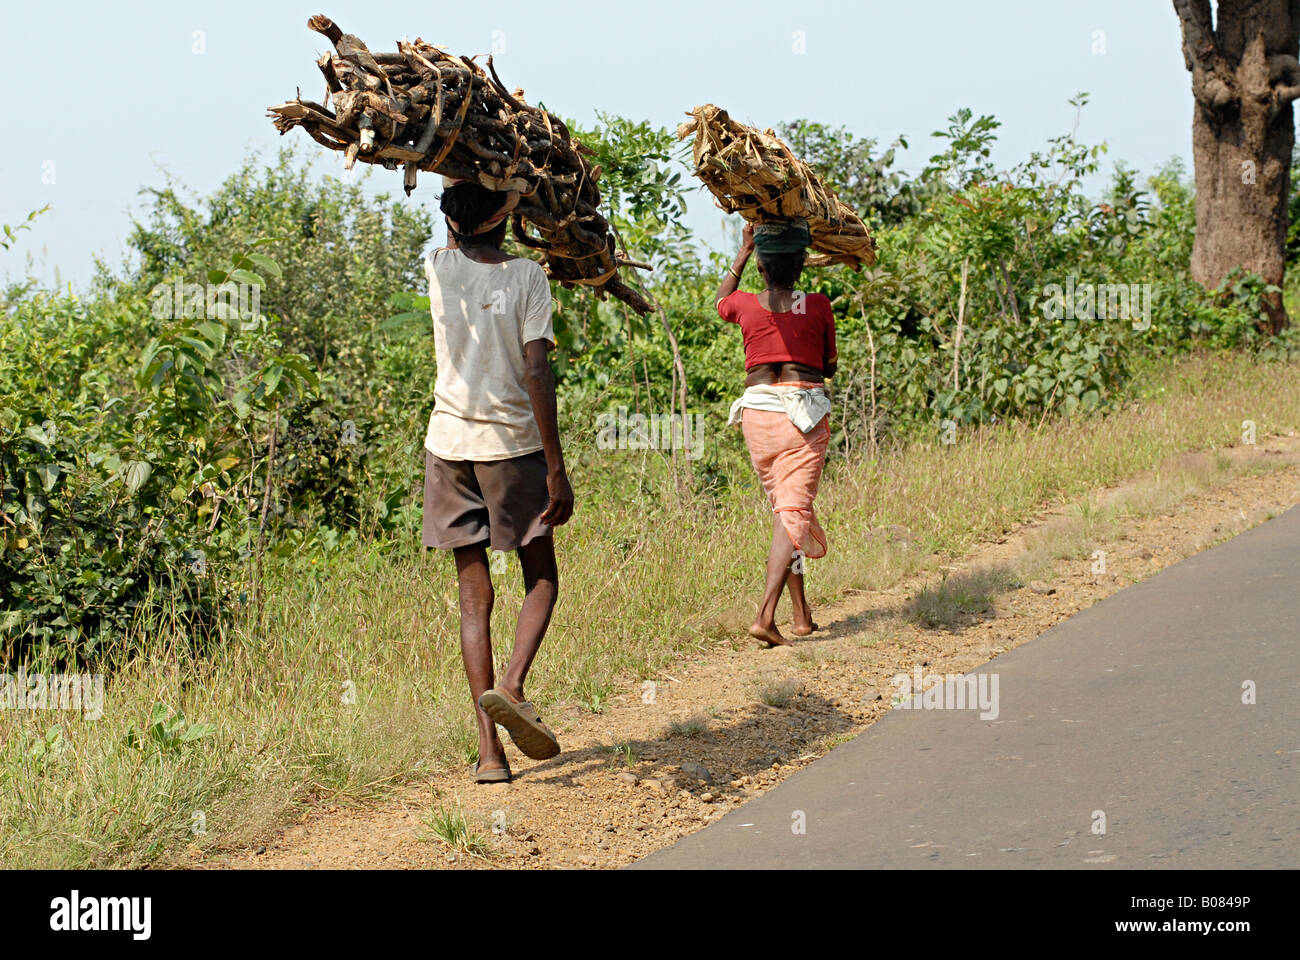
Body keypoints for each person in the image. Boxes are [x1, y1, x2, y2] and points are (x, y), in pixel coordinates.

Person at [422, 180, 574, 782]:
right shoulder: (527, 278)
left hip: (447, 447)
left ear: (454, 225)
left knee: (472, 599)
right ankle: (512, 685)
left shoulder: (438, 267)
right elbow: (537, 370)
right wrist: (556, 467)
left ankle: (489, 755)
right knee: (541, 578)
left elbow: (453, 225)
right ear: (504, 219)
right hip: (512, 448)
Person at [715, 219, 837, 647]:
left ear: (761, 268)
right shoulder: (817, 304)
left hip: (757, 418)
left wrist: (742, 252)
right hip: (800, 417)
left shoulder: (745, 304)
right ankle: (765, 616)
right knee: (793, 514)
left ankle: (801, 615)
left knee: (789, 514)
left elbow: (720, 301)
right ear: (802, 264)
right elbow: (829, 365)